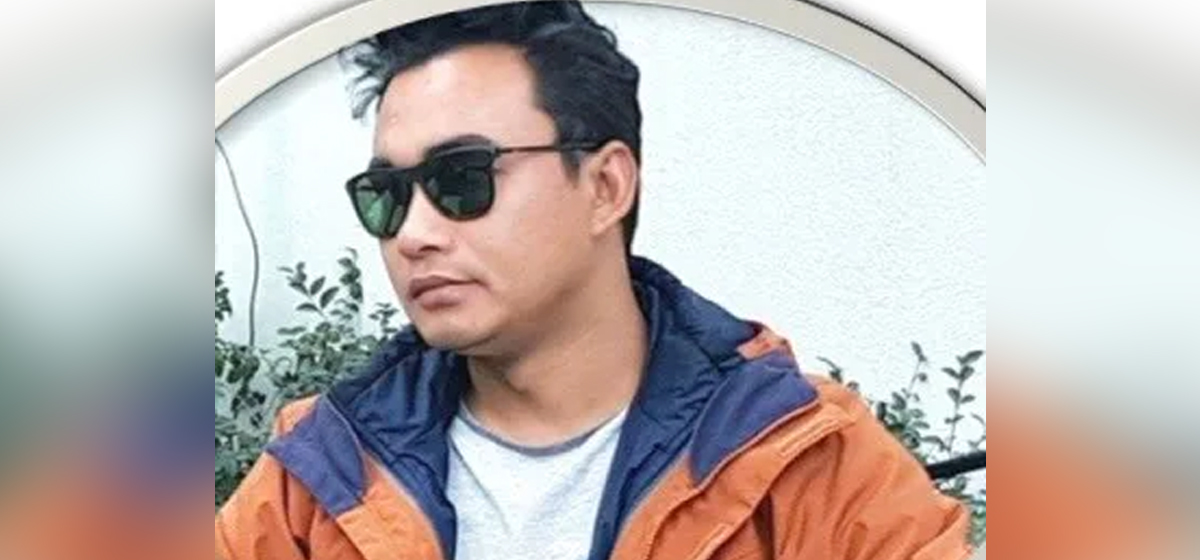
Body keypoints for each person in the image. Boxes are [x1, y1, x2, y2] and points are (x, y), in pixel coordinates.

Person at [215, 2, 972, 559]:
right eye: (387, 195)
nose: (414, 233)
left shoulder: (808, 468)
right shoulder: (317, 481)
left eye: (462, 178)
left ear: (607, 187)